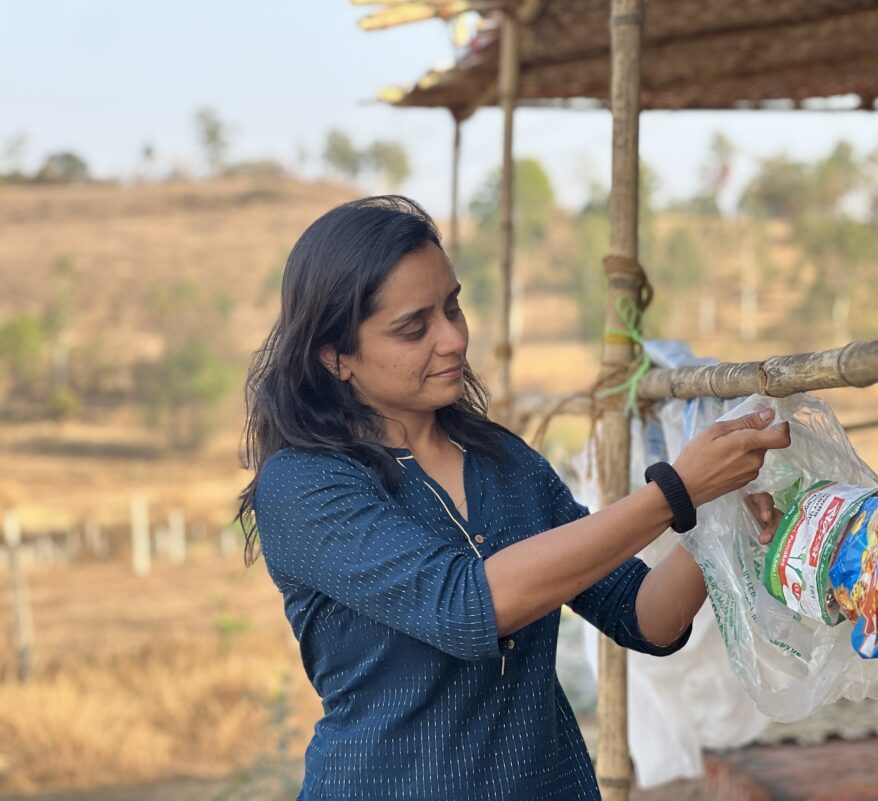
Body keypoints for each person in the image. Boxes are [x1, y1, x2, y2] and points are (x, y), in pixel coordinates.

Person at [238, 196, 790, 801]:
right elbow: (467, 604)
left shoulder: (505, 461)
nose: (452, 339)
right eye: (413, 327)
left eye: (453, 307)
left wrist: (718, 514)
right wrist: (676, 491)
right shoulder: (305, 484)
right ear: (335, 355)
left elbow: (643, 615)